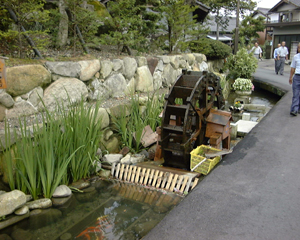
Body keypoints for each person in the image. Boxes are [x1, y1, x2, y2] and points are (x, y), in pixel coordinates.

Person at [289, 43, 300, 116]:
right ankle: (294, 109)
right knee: (296, 94)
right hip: (297, 76)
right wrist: (290, 77)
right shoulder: (295, 57)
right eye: (299, 47)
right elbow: (293, 68)